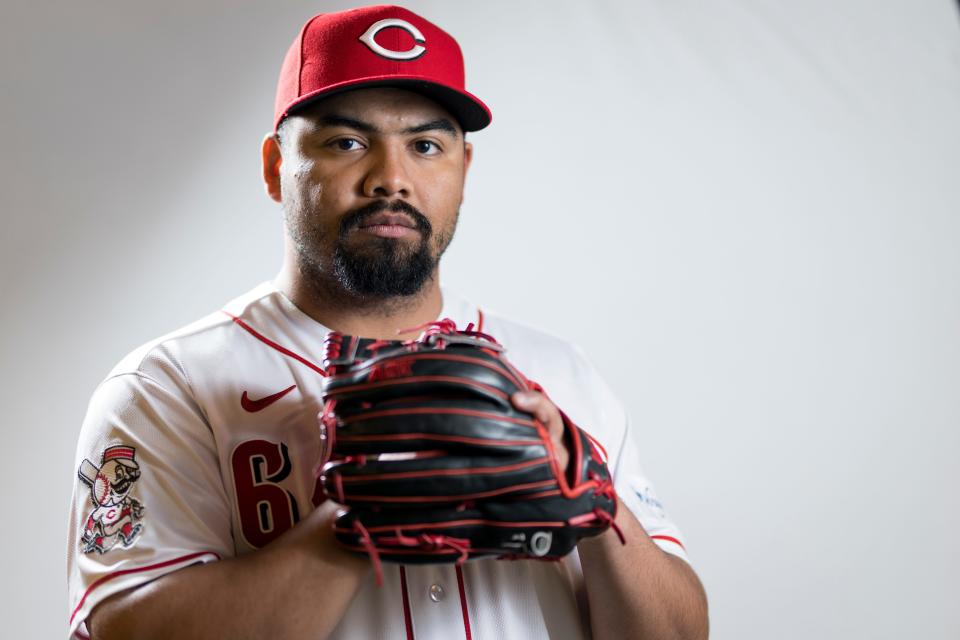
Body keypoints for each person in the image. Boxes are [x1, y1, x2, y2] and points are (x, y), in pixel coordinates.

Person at [67, 5, 708, 639]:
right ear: (275, 168)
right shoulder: (164, 388)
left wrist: (596, 504)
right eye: (347, 142)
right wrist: (364, 513)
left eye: (425, 145)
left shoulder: (562, 374)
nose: (391, 179)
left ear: (463, 171)